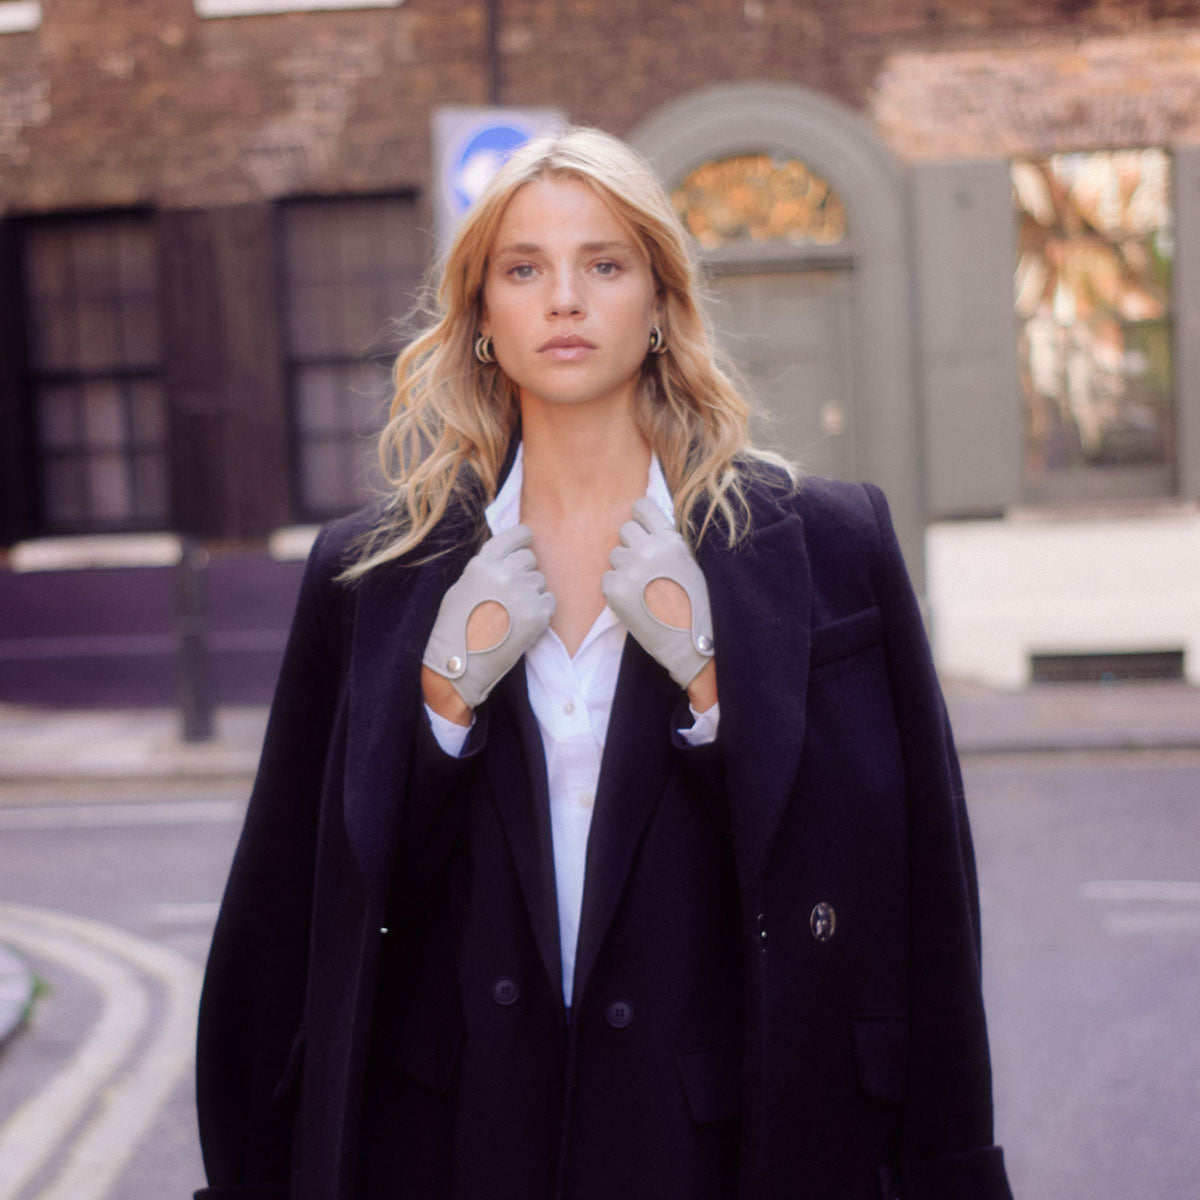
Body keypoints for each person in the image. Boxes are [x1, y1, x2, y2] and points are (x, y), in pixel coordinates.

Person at [195, 127, 1013, 1200]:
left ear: (662, 307)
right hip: (454, 1151)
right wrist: (439, 710)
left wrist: (719, 695)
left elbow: (906, 894)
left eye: (605, 264)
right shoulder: (372, 572)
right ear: (483, 320)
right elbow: (296, 911)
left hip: (720, 1145)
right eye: (524, 269)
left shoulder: (827, 547)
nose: (564, 299)